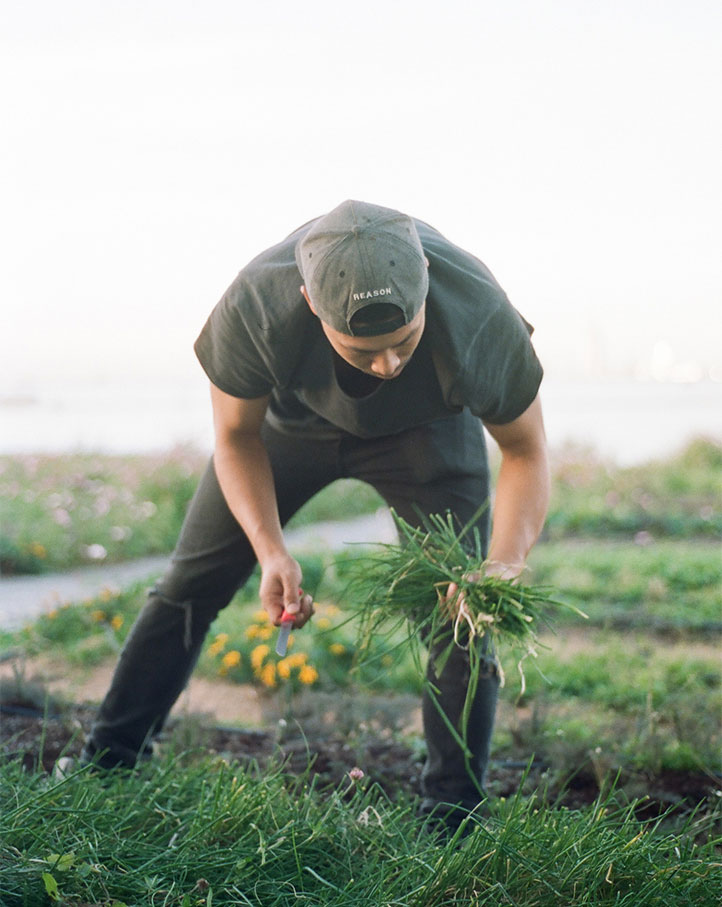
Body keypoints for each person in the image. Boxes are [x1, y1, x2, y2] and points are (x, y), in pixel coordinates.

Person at [76, 200, 549, 824]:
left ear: (428, 285)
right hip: (288, 429)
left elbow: (526, 450)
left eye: (404, 341)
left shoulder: (480, 314)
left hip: (428, 437)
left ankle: (453, 811)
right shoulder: (256, 304)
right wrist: (271, 550)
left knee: (460, 607)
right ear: (309, 302)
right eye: (363, 352)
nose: (388, 365)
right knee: (191, 583)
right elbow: (235, 437)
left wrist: (506, 564)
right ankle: (108, 762)